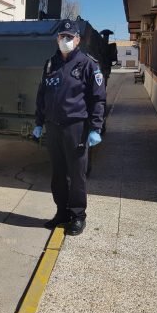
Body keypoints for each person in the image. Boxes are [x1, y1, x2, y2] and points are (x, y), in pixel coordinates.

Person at [33, 19, 106, 236]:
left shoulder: (88, 65)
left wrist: (95, 127)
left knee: (76, 175)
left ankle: (77, 215)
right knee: (58, 174)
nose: (64, 40)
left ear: (78, 40)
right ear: (57, 39)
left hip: (76, 127)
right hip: (53, 127)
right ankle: (62, 212)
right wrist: (38, 123)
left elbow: (98, 99)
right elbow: (42, 96)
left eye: (69, 37)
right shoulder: (50, 64)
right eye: (61, 37)